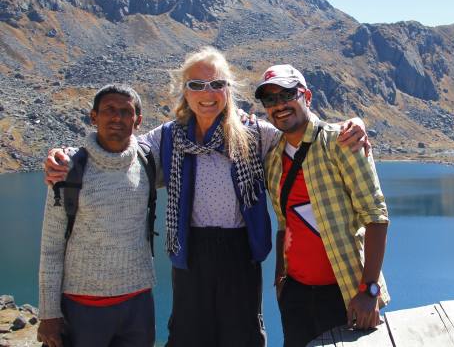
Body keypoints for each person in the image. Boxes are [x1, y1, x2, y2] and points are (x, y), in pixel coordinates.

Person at [43, 47, 369, 347]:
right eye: (196, 85)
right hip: (190, 251)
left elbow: (305, 136)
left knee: (242, 334)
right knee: (188, 334)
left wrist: (352, 124)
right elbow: (121, 152)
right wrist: (71, 156)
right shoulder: (169, 136)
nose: (207, 94)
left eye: (216, 84)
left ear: (229, 89)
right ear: (184, 91)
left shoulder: (255, 133)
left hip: (240, 253)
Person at [254, 64, 390, 347]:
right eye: (270, 99)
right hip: (296, 295)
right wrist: (281, 277)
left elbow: (376, 217)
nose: (279, 105)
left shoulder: (341, 141)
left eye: (287, 94)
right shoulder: (274, 159)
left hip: (346, 293)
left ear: (307, 96)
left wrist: (369, 291)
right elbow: (284, 223)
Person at [37, 84, 157, 347]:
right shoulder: (68, 170)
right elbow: (51, 248)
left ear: (137, 121)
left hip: (138, 304)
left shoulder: (148, 161)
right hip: (81, 307)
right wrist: (48, 314)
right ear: (94, 117)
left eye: (126, 112)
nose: (117, 117)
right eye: (109, 110)